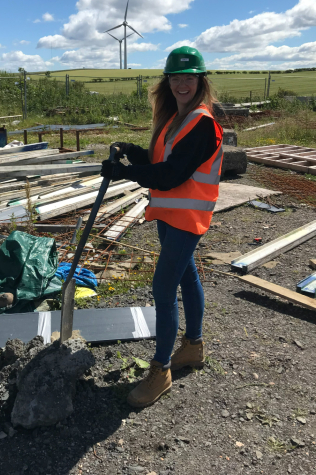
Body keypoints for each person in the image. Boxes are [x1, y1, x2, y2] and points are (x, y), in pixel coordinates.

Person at [100, 46, 223, 408]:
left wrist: (126, 173)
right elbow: (161, 161)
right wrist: (134, 152)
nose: (181, 84)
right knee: (187, 278)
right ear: (167, 81)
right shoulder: (175, 120)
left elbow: (171, 174)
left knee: (163, 286)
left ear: (201, 80)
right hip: (169, 214)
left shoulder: (203, 123)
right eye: (175, 77)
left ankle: (161, 369)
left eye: (189, 77)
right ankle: (194, 347)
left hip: (188, 218)